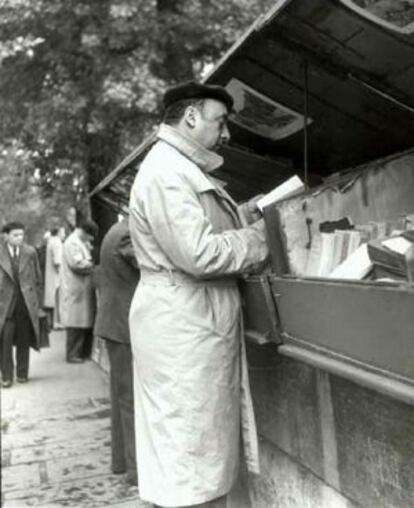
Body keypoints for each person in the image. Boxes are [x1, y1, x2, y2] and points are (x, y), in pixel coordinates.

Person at [128, 81, 269, 508]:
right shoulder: (167, 172)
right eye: (219, 121)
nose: (225, 133)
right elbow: (199, 253)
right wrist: (258, 238)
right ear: (191, 117)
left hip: (188, 321)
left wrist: (241, 215)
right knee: (189, 457)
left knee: (194, 450)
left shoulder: (176, 166)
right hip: (183, 327)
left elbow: (196, 230)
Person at [94, 218, 140, 486]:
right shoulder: (128, 234)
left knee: (121, 394)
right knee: (129, 398)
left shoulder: (119, 227)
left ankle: (121, 462)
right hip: (122, 325)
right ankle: (136, 471)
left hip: (115, 323)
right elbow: (149, 263)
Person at [0, 221, 43, 387]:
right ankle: (6, 376)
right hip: (5, 305)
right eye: (15, 235)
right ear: (5, 236)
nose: (19, 238)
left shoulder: (30, 252)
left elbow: (37, 278)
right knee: (5, 341)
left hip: (25, 303)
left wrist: (36, 303)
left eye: (21, 235)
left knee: (24, 339)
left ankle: (22, 373)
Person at [59, 219, 97, 363]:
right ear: (84, 232)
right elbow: (77, 264)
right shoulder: (72, 243)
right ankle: (73, 354)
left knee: (82, 321)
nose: (91, 239)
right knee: (75, 322)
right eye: (90, 235)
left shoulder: (78, 241)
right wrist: (91, 264)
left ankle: (81, 353)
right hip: (75, 287)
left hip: (81, 288)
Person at [43, 228, 63, 327]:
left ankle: (52, 322)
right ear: (58, 233)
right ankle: (57, 322)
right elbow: (58, 261)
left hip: (50, 275)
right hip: (56, 276)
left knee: (52, 299)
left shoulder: (50, 242)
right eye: (63, 232)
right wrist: (62, 274)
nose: (64, 234)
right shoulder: (57, 243)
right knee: (57, 299)